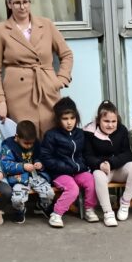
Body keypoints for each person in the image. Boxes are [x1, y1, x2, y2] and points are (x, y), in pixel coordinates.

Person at [0, 0, 74, 137]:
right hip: (17, 93)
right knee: (25, 137)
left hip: (47, 87)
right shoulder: (0, 30)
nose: (22, 7)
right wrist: (0, 101)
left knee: (52, 134)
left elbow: (66, 54)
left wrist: (60, 80)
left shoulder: (46, 25)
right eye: (17, 3)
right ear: (9, 4)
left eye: (25, 2)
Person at [39, 97, 97, 228]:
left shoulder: (81, 134)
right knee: (73, 189)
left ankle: (89, 209)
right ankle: (56, 214)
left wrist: (82, 166)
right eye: (65, 119)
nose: (69, 122)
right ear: (58, 119)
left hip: (78, 170)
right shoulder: (51, 135)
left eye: (72, 118)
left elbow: (85, 154)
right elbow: (46, 158)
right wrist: (65, 167)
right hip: (60, 173)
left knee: (91, 181)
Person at [84, 100, 132, 226]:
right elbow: (87, 156)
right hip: (102, 170)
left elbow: (128, 154)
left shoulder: (121, 130)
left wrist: (111, 162)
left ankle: (125, 203)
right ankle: (108, 212)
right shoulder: (89, 132)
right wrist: (100, 164)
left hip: (118, 168)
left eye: (113, 121)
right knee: (97, 175)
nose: (110, 125)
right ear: (98, 120)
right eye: (106, 121)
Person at [0, 120, 41, 224]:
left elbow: (40, 156)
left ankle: (42, 206)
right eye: (26, 143)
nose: (29, 146)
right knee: (17, 199)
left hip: (36, 176)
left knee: (48, 193)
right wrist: (23, 166)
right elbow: (5, 165)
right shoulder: (8, 146)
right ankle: (19, 210)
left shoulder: (36, 143)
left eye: (31, 143)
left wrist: (39, 163)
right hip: (19, 179)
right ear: (17, 137)